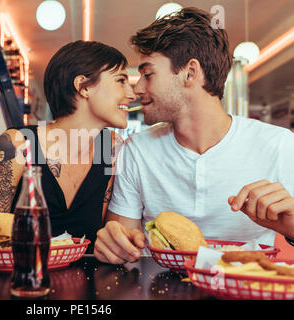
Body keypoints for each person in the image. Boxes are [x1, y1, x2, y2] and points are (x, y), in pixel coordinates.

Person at [94, 7, 294, 264]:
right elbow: (124, 243)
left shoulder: (280, 145)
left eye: (147, 74)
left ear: (190, 73)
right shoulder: (136, 149)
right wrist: (113, 245)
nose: (137, 89)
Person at [0, 40, 136, 253]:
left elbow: (103, 241)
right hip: (24, 281)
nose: (132, 94)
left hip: (89, 283)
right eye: (121, 80)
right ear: (84, 87)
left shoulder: (111, 147)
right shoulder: (15, 144)